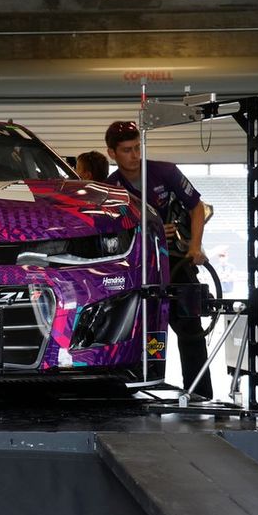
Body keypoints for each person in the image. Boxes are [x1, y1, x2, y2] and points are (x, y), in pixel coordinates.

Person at [104, 120, 213, 400]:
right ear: (111, 153)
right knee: (140, 333)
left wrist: (195, 246)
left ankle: (200, 395)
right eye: (127, 150)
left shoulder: (166, 171)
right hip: (139, 272)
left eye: (137, 147)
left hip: (176, 264)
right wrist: (148, 229)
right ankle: (137, 393)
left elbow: (197, 207)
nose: (134, 155)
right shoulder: (108, 189)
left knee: (191, 332)